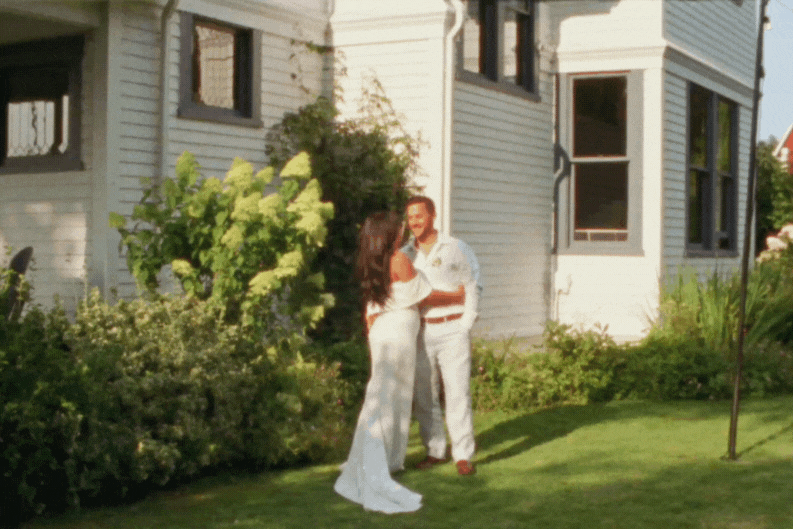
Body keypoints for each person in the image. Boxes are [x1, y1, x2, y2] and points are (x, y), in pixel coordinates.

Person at [334, 211, 464, 513]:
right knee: (389, 394)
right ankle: (380, 459)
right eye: (399, 228)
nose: (404, 229)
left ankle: (386, 457)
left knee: (383, 394)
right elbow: (425, 295)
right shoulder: (399, 261)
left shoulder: (373, 260)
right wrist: (459, 295)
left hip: (383, 331)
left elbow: (373, 306)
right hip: (398, 333)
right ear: (390, 234)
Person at [402, 196, 481, 476]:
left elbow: (473, 284)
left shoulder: (455, 248)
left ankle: (462, 455)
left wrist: (466, 323)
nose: (414, 222)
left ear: (433, 215)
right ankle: (435, 450)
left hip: (452, 329)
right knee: (425, 394)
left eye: (419, 216)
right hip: (421, 330)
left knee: (458, 392)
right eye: (410, 217)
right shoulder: (406, 254)